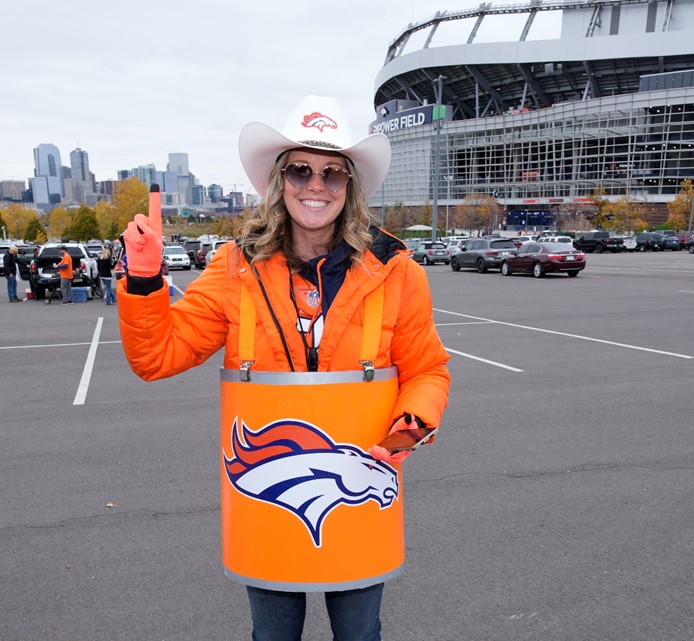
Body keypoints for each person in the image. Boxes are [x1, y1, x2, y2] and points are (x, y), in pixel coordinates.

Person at [117, 95, 451, 640]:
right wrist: (146, 281)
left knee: (360, 636)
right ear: (280, 180)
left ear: (350, 188)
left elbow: (428, 371)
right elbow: (155, 357)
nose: (315, 185)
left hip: (361, 494)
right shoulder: (234, 268)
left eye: (332, 173)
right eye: (300, 169)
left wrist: (406, 432)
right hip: (267, 506)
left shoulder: (397, 273)